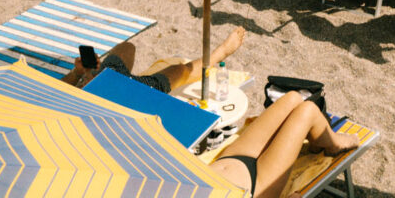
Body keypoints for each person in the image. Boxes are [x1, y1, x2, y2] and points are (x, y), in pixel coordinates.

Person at [209, 90, 360, 198]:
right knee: (308, 111)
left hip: (228, 161)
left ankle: (318, 139)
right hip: (257, 187)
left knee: (292, 98)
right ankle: (334, 144)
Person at [62, 26, 245, 94]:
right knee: (179, 71)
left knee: (127, 47)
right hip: (124, 96)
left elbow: (52, 88)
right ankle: (219, 54)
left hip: (105, 80)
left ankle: (94, 75)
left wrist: (78, 73)